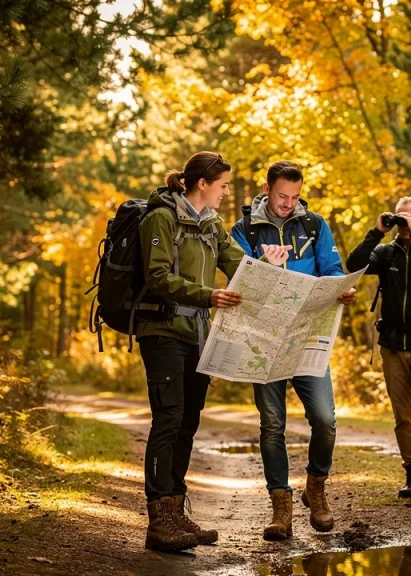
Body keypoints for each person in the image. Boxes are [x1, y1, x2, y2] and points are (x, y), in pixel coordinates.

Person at [137, 151, 290, 551]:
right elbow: (156, 277)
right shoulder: (161, 217)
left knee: (187, 423)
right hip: (163, 330)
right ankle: (158, 520)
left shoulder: (211, 224)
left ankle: (174, 510)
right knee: (168, 419)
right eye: (222, 185)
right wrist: (208, 295)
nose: (225, 192)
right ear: (202, 183)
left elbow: (239, 265)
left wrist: (268, 266)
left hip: (199, 336)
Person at [230, 160, 356, 540]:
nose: (288, 203)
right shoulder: (244, 229)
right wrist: (264, 268)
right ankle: (280, 507)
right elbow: (236, 282)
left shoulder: (315, 225)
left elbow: (332, 268)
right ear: (267, 189)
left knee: (325, 419)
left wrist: (339, 288)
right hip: (263, 341)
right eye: (282, 196)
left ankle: (315, 487)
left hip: (307, 337)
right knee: (272, 426)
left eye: (295, 197)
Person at [345, 197, 411, 505]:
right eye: (400, 218)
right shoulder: (385, 252)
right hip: (392, 343)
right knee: (402, 414)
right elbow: (354, 265)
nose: (404, 223)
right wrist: (377, 231)